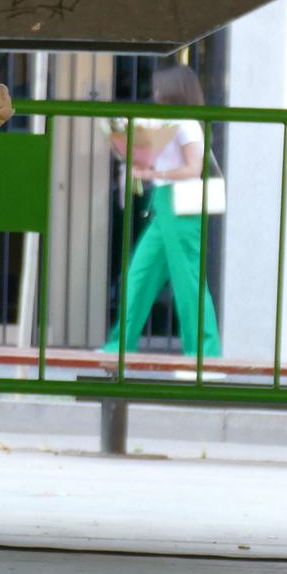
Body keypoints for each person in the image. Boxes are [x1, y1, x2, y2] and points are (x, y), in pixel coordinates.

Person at [101, 63, 222, 358]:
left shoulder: (188, 124)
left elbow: (194, 168)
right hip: (165, 207)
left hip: (181, 209)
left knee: (188, 283)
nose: (155, 93)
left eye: (159, 88)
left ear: (173, 91)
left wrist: (151, 175)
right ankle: (118, 348)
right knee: (139, 277)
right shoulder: (170, 122)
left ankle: (205, 356)